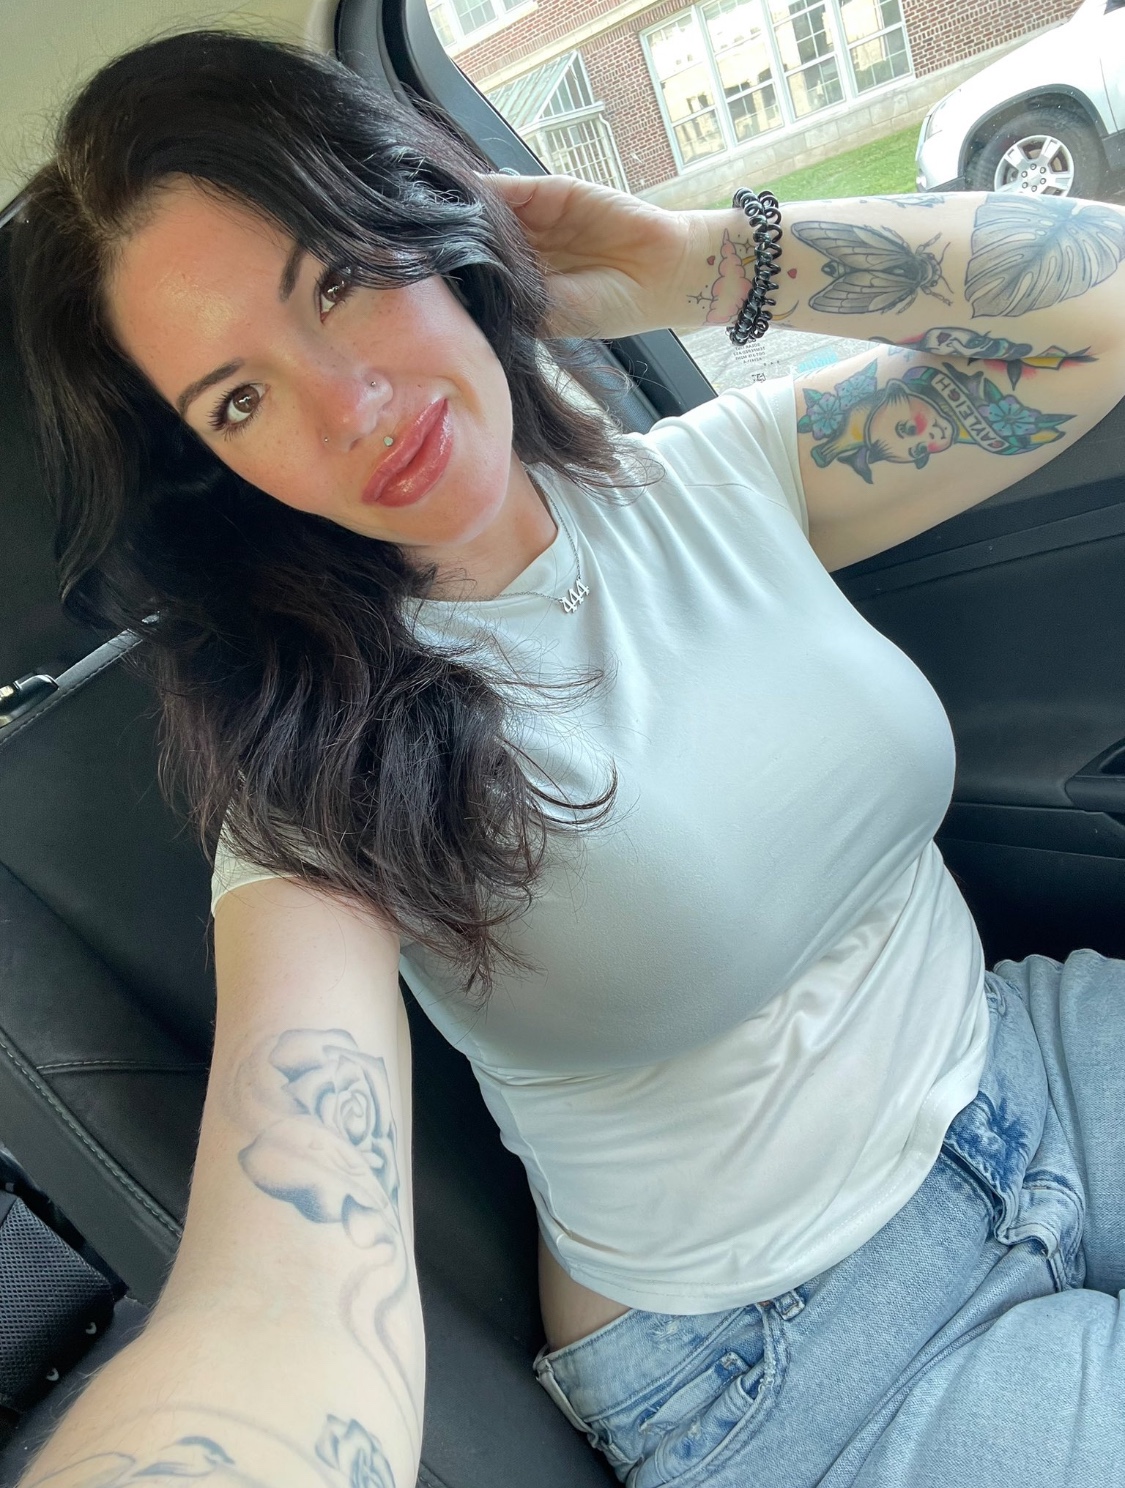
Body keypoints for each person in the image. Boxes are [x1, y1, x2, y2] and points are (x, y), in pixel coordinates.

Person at [9, 26, 1125, 1488]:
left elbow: (1102, 306)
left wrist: (696, 261)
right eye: (239, 399)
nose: (350, 406)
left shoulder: (718, 478)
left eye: (337, 282)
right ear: (211, 472)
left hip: (1024, 1063)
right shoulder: (311, 785)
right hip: (779, 1353)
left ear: (421, 226)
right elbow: (283, 1280)